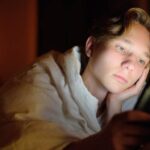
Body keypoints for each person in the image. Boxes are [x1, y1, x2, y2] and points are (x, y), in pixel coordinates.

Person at [0, 7, 150, 150]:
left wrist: (115, 105)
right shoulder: (39, 83)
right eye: (121, 48)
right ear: (91, 47)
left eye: (141, 60)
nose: (130, 65)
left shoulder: (135, 105)